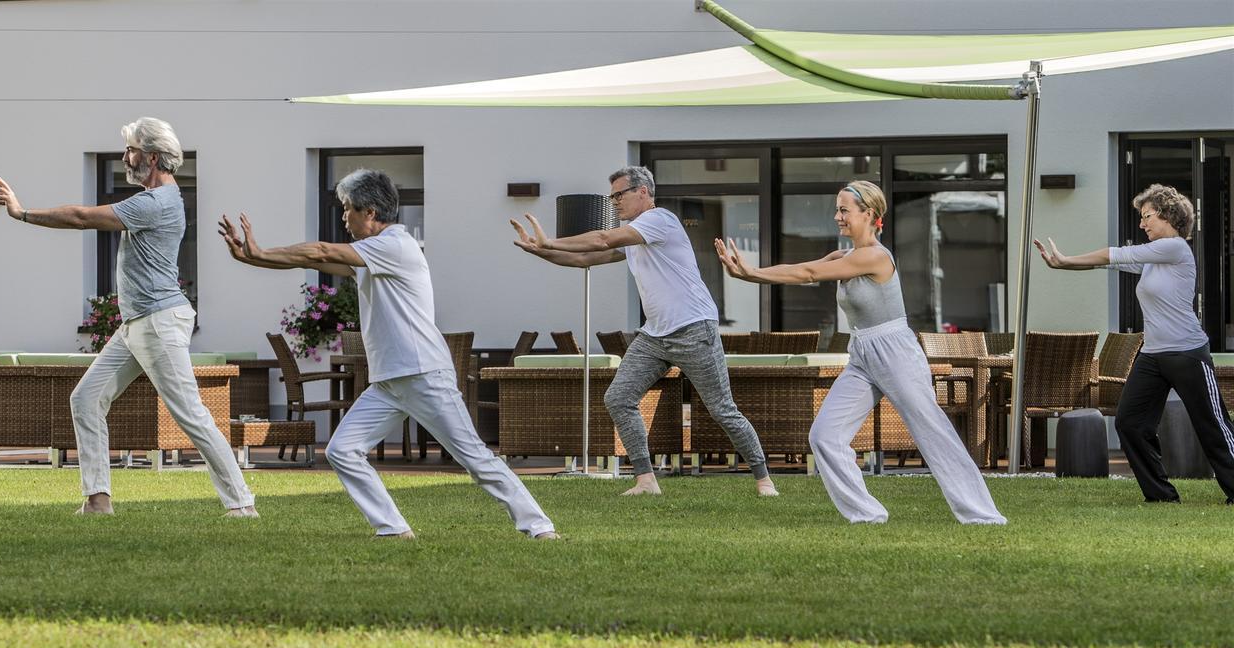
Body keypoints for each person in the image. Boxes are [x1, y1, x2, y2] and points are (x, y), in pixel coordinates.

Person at [220, 168, 558, 539]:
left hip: (424, 374)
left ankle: (540, 528)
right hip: (389, 383)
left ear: (369, 212)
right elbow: (314, 262)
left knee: (476, 460)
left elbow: (319, 250)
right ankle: (393, 529)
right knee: (342, 451)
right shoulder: (373, 254)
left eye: (347, 209)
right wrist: (251, 258)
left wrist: (263, 250)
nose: (343, 217)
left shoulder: (395, 245)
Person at [0, 117, 258, 518]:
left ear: (151, 157)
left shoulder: (156, 202)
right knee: (86, 398)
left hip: (159, 322)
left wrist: (23, 213)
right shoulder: (158, 199)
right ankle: (98, 501)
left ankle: (242, 504)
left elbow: (82, 218)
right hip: (137, 323)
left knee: (191, 414)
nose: (125, 157)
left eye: (131, 150)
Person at [715, 180, 1006, 525]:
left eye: (844, 210)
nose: (837, 216)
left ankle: (983, 516)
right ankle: (866, 514)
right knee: (825, 436)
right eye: (836, 209)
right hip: (863, 352)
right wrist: (748, 275)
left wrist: (751, 271)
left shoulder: (874, 257)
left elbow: (809, 272)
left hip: (895, 351)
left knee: (933, 433)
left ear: (869, 214)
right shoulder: (845, 255)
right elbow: (805, 271)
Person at [511, 166, 777, 497]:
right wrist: (542, 251)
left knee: (722, 408)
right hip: (654, 336)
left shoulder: (660, 220)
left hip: (694, 329)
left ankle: (764, 479)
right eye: (611, 197)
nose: (614, 203)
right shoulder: (636, 236)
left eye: (618, 195)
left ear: (643, 192)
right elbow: (586, 259)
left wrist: (550, 240)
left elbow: (602, 238)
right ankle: (646, 480)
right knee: (619, 398)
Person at [1035, 183, 1234, 504]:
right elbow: (1109, 262)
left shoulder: (1175, 248)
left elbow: (1115, 253)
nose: (1142, 224)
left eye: (1147, 216)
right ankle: (1161, 496)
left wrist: (1066, 258)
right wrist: (1063, 264)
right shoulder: (1154, 257)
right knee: (1130, 423)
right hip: (1153, 355)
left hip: (1187, 352)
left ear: (1169, 216)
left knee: (1213, 425)